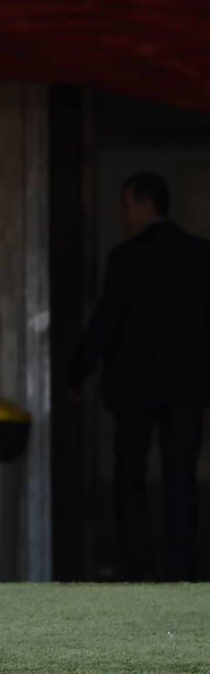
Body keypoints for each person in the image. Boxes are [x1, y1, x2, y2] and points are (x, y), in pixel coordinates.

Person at [66, 171, 210, 581]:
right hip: (186, 388)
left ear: (146, 207)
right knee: (181, 477)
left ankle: (140, 570)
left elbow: (105, 323)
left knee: (129, 475)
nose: (121, 214)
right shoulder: (200, 254)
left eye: (126, 205)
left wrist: (76, 373)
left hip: (135, 390)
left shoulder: (126, 257)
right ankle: (184, 571)